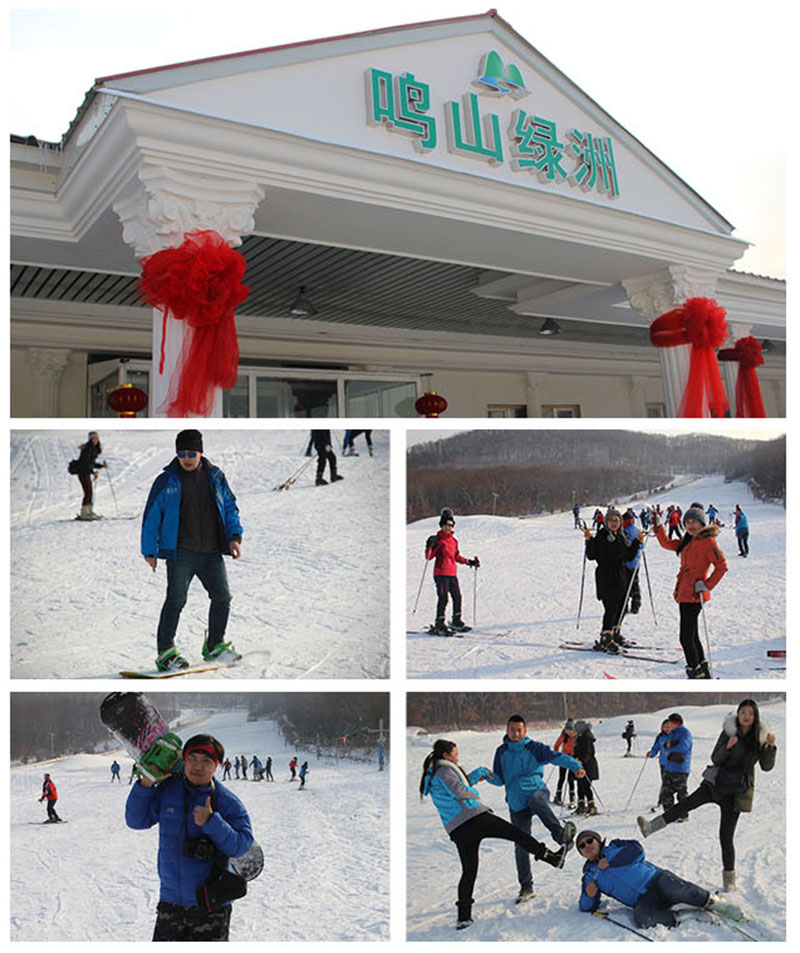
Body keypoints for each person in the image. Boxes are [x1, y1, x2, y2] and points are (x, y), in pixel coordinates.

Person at [420, 739, 566, 930]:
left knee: (469, 870)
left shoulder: (435, 774)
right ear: (446, 756)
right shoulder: (445, 770)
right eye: (455, 754)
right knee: (517, 834)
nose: (457, 757)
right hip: (474, 818)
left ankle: (464, 917)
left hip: (457, 828)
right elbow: (459, 790)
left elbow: (455, 785)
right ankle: (551, 857)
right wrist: (474, 793)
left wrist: (477, 774)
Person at [638, 699, 777, 892]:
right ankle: (650, 826)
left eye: (750, 713)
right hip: (715, 783)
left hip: (736, 792)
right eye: (743, 712)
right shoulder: (729, 732)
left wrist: (770, 748)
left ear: (755, 717)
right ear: (738, 714)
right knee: (685, 805)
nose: (746, 716)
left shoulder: (759, 738)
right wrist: (728, 746)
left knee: (726, 837)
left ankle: (729, 881)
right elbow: (715, 758)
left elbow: (766, 766)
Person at [126, 733, 253, 941]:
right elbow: (136, 820)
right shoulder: (168, 790)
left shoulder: (227, 801)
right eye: (192, 760)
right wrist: (146, 783)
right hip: (171, 902)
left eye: (206, 761)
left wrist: (212, 821)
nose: (198, 766)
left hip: (210, 905)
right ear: (184, 761)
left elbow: (241, 846)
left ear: (216, 766)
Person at [141, 430, 243, 672]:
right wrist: (149, 551)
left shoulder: (215, 477)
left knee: (222, 597)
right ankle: (165, 651)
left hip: (211, 552)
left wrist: (235, 537)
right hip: (181, 553)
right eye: (181, 454)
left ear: (200, 452)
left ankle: (215, 644)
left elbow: (230, 507)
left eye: (191, 453)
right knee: (176, 599)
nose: (186, 458)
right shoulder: (166, 481)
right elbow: (151, 516)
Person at [487, 714, 583, 903]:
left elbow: (557, 757)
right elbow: (499, 780)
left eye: (519, 730)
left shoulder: (534, 748)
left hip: (536, 791)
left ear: (525, 731)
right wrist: (484, 775)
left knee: (535, 800)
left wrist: (575, 766)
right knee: (521, 844)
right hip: (516, 803)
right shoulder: (501, 752)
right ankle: (526, 887)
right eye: (512, 730)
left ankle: (561, 836)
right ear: (506, 730)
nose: (516, 733)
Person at [576, 829, 740, 928]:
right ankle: (689, 915)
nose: (587, 846)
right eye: (582, 846)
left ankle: (717, 904)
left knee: (680, 890)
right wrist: (589, 896)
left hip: (656, 880)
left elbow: (637, 850)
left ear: (597, 840)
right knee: (643, 920)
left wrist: (611, 861)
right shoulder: (590, 876)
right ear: (582, 853)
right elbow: (585, 906)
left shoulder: (614, 846)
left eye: (589, 841)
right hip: (642, 899)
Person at [653, 505, 728, 679]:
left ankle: (695, 671)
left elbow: (721, 566)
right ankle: (701, 668)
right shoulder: (688, 539)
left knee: (686, 638)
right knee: (692, 636)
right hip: (685, 592)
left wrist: (707, 584)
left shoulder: (708, 542)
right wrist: (658, 526)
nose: (691, 525)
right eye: (687, 522)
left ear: (702, 523)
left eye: (694, 522)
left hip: (694, 595)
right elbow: (666, 543)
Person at [584, 508, 642, 653]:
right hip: (606, 576)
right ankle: (606, 637)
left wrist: (637, 542)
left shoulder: (621, 536)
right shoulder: (602, 535)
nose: (614, 523)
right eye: (611, 520)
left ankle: (615, 632)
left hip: (621, 576)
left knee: (622, 607)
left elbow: (628, 556)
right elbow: (591, 555)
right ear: (606, 522)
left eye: (616, 520)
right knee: (611, 608)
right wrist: (589, 541)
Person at [425, 507, 479, 635]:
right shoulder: (437, 540)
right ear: (441, 526)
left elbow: (456, 556)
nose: (447, 528)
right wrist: (429, 545)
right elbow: (429, 557)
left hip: (452, 573)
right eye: (445, 525)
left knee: (457, 597)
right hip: (440, 573)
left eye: (450, 525)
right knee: (443, 598)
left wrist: (469, 562)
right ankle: (439, 624)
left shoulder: (453, 541)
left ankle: (456, 621)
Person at [647, 714, 691, 818]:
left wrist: (670, 749)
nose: (667, 726)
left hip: (680, 768)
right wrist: (652, 753)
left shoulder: (684, 733)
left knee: (681, 793)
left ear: (675, 723)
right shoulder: (665, 735)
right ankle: (671, 814)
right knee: (666, 792)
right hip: (667, 766)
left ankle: (683, 815)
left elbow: (683, 746)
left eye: (669, 723)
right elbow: (659, 746)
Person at [72, 430, 107, 521]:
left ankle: (89, 511)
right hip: (82, 472)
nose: (95, 440)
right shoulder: (87, 449)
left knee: (89, 492)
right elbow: (85, 464)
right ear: (90, 440)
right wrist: (93, 472)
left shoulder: (93, 449)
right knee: (87, 492)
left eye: (96, 438)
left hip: (86, 472)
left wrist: (102, 466)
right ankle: (84, 514)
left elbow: (92, 463)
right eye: (93, 439)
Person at [573, 721, 599, 816]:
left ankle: (591, 806)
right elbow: (577, 751)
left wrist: (582, 761)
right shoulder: (579, 738)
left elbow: (588, 752)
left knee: (586, 786)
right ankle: (581, 805)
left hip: (588, 766)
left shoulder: (587, 738)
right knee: (580, 786)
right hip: (579, 766)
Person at [553, 720, 578, 809]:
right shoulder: (563, 736)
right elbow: (556, 745)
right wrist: (557, 755)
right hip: (563, 759)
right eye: (567, 730)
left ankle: (572, 799)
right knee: (561, 778)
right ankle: (558, 795)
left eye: (571, 730)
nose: (569, 732)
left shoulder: (577, 737)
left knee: (570, 779)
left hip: (572, 759)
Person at [622, 511, 643, 616]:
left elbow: (624, 547)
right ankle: (636, 605)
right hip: (636, 563)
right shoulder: (638, 531)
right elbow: (641, 545)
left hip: (627, 563)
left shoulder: (625, 532)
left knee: (625, 585)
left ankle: (624, 606)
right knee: (635, 584)